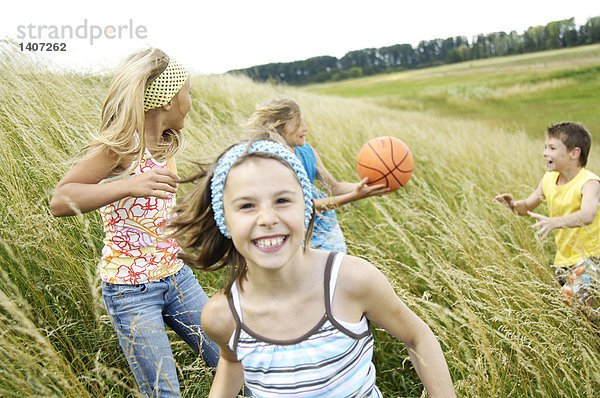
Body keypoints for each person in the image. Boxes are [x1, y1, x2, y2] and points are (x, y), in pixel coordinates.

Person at [169, 133, 455, 397]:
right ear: (224, 220)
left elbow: (417, 337)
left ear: (306, 206)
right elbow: (231, 363)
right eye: (247, 206)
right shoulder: (223, 315)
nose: (267, 218)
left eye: (282, 200)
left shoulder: (351, 280)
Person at [50, 48, 219, 397]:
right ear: (168, 100)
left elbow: (155, 214)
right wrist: (126, 184)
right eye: (188, 92)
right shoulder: (122, 147)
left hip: (176, 276)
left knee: (230, 359)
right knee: (164, 392)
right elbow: (60, 200)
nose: (191, 101)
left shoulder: (166, 146)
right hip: (131, 291)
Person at [243, 98, 390, 253]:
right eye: (298, 124)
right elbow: (305, 206)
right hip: (294, 238)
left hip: (327, 232)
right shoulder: (272, 163)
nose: (305, 128)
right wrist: (354, 196)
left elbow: (335, 187)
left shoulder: (307, 151)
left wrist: (370, 186)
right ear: (280, 129)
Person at [494, 122, 600, 310]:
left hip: (592, 258)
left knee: (569, 298)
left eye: (552, 148)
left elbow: (588, 215)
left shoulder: (589, 183)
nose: (545, 153)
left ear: (574, 153)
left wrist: (555, 222)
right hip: (563, 261)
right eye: (545, 147)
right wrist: (513, 205)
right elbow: (527, 206)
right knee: (576, 312)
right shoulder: (549, 179)